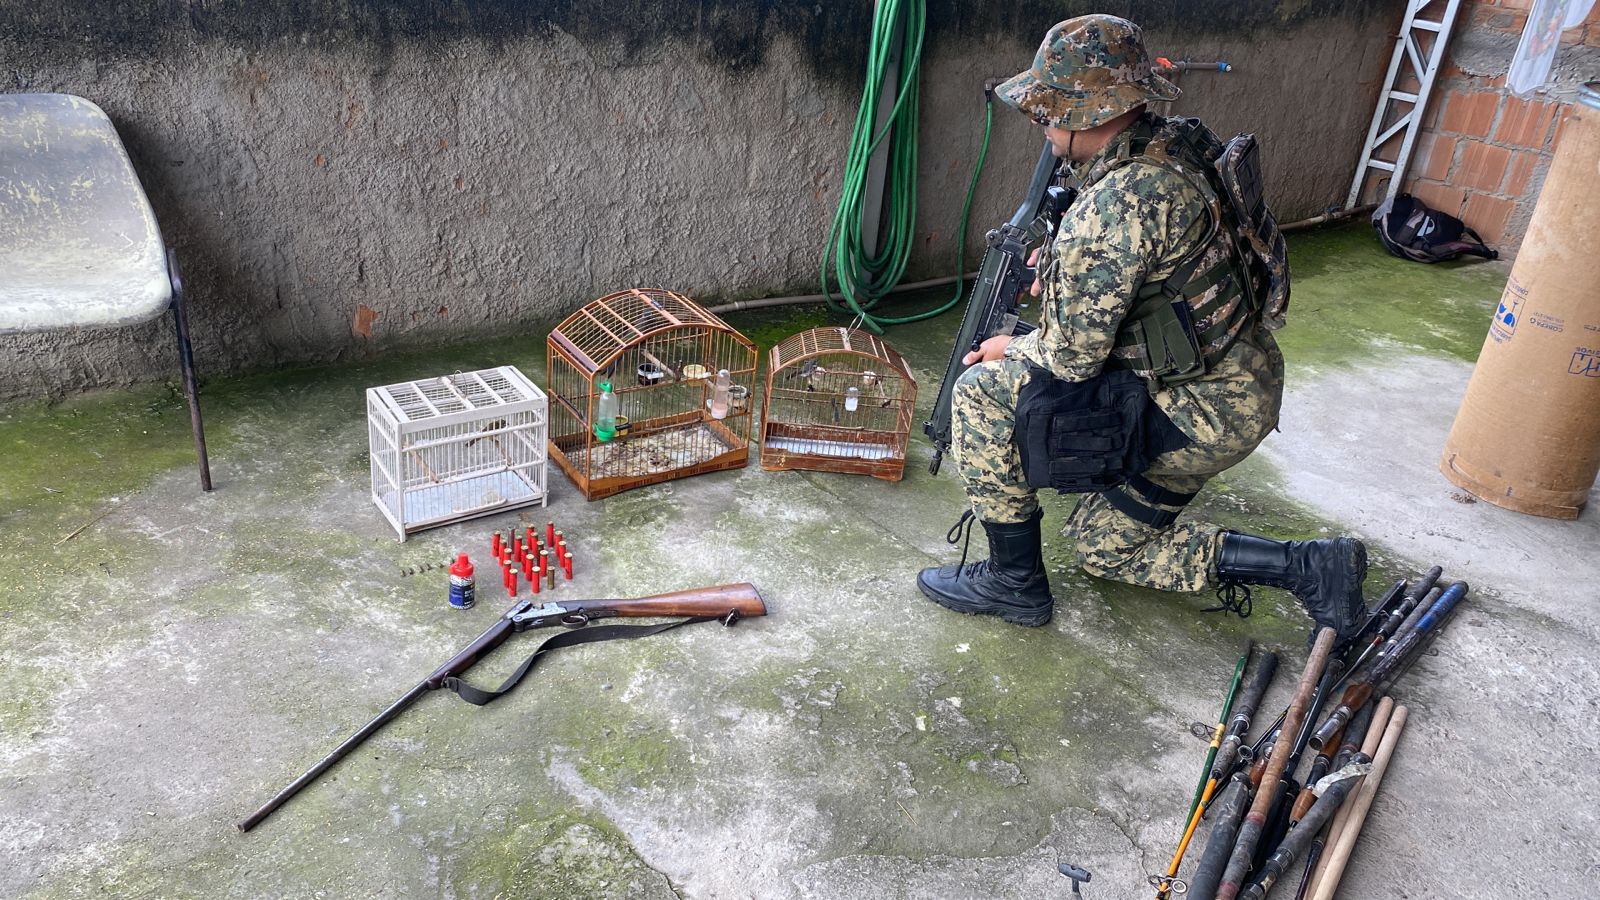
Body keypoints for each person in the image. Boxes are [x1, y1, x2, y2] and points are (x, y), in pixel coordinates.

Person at [916, 14, 1368, 639]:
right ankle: (1310, 566)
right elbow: (1163, 272)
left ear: (1087, 112)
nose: (1041, 128)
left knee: (981, 393)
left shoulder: (1113, 208)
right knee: (1104, 550)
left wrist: (1009, 345)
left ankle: (1011, 582)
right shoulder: (1177, 144)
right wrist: (1070, 272)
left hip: (1197, 411)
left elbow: (1069, 359)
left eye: (1046, 114)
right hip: (1241, 383)